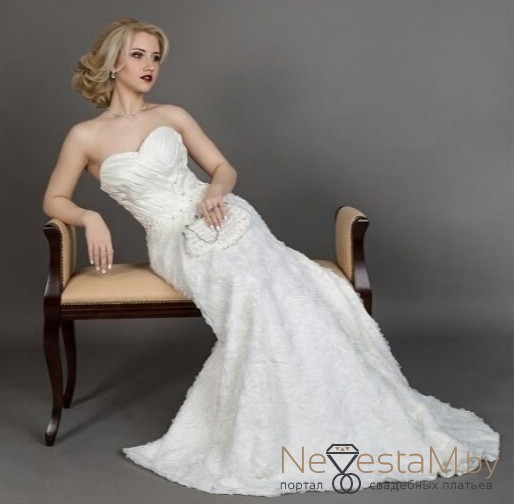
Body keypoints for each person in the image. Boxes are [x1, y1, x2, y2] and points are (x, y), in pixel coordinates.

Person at [42, 17, 500, 497]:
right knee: (252, 296)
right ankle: (283, 423)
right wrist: (88, 217)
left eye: (156, 57)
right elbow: (53, 199)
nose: (150, 65)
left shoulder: (172, 116)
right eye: (138, 55)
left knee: (285, 293)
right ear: (113, 61)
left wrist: (215, 192)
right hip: (171, 238)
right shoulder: (84, 136)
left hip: (224, 216)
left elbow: (223, 168)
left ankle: (341, 407)